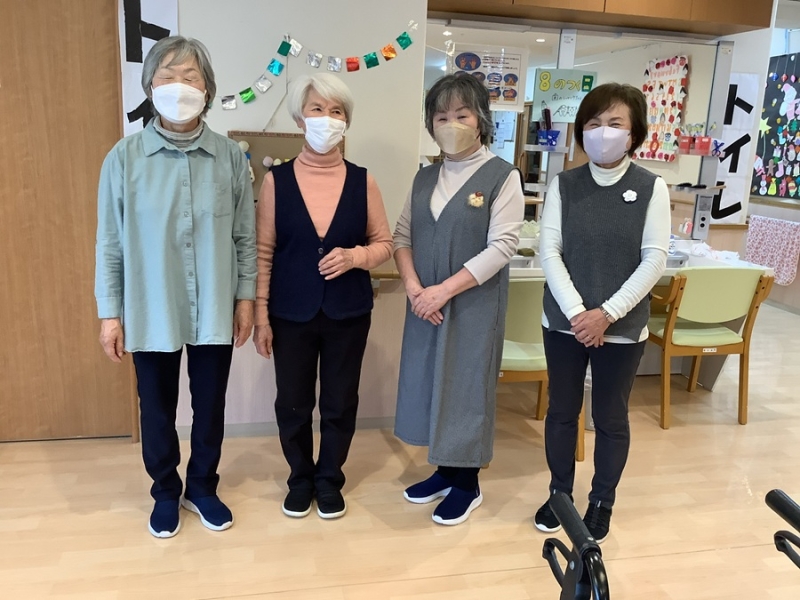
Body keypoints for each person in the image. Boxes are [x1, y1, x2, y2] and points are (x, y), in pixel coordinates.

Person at [94, 36, 256, 538]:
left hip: (215, 303)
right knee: (157, 406)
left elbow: (244, 236)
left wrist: (246, 298)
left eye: (191, 77)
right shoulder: (124, 158)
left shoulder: (230, 157)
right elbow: (110, 242)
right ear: (149, 87)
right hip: (151, 305)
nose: (179, 86)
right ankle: (165, 491)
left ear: (207, 89)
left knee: (210, 404)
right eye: (167, 77)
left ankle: (201, 488)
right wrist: (109, 313)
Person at [534, 83, 670, 543]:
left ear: (634, 134)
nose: (603, 132)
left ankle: (601, 501)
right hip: (564, 323)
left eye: (615, 123)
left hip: (622, 326)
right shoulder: (564, 184)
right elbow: (549, 251)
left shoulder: (652, 187)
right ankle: (559, 494)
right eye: (593, 123)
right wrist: (579, 314)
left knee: (611, 417)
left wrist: (606, 314)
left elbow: (654, 260)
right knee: (561, 412)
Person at [254, 73, 393, 520]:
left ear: (346, 122)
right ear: (300, 118)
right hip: (289, 312)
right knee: (292, 402)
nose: (327, 119)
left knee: (340, 400)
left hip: (347, 312)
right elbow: (262, 252)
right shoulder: (276, 182)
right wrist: (261, 316)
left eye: (336, 111)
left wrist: (355, 257)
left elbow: (384, 244)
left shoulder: (363, 181)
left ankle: (330, 479)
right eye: (317, 109)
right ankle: (300, 478)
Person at [393, 74, 525, 526]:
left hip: (472, 305)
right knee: (430, 380)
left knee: (466, 385)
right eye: (441, 116)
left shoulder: (502, 176)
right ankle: (445, 470)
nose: (451, 124)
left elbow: (502, 247)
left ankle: (467, 484)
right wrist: (414, 289)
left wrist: (442, 291)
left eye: (461, 115)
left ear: (481, 120)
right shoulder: (425, 176)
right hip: (424, 303)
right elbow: (403, 236)